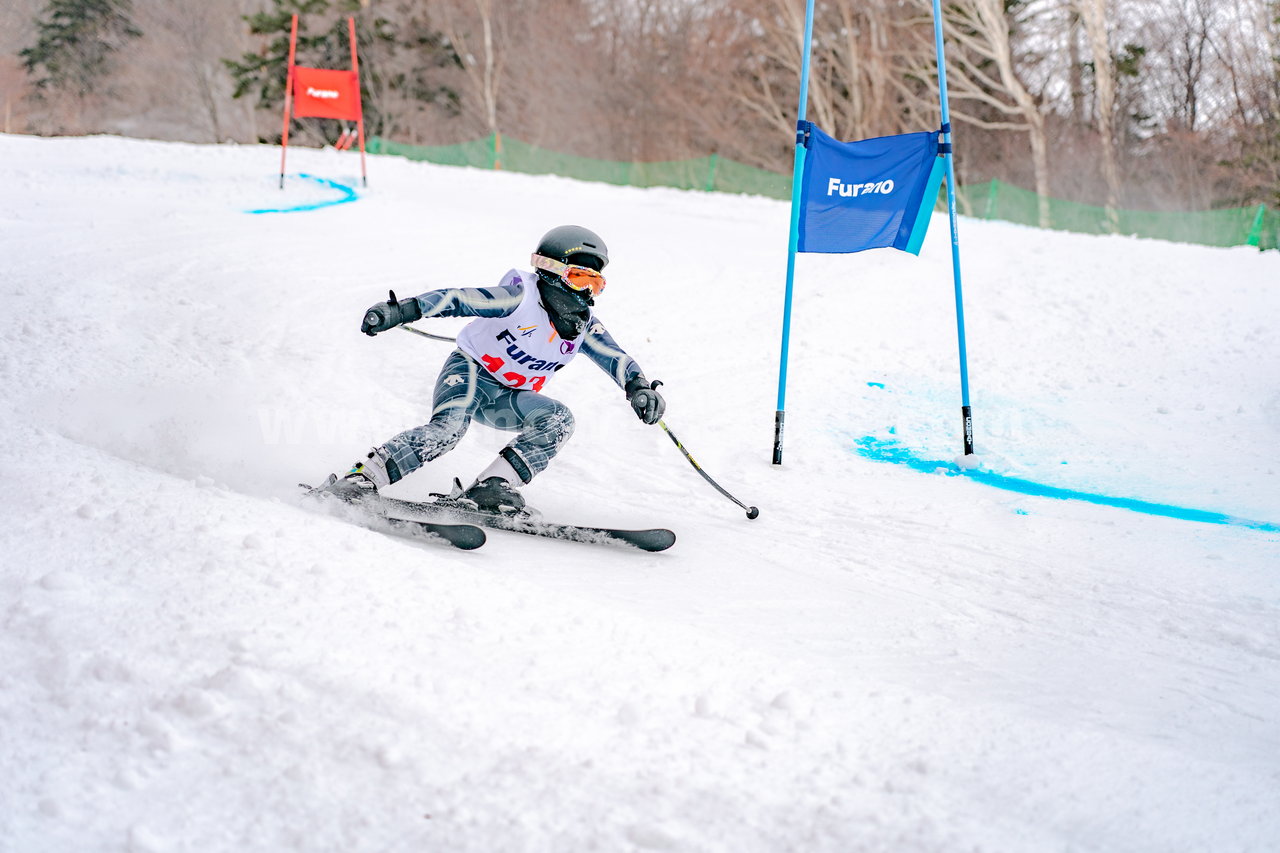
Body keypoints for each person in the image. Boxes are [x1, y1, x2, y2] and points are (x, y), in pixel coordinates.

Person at [320, 225, 666, 513]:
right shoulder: (520, 298)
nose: (587, 293)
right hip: (470, 374)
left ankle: (491, 488)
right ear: (552, 271)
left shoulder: (582, 324)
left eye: (596, 284)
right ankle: (362, 478)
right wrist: (402, 311)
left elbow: (616, 357)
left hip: (507, 397)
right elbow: (457, 297)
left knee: (559, 419)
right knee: (448, 431)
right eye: (579, 279)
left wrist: (640, 388)